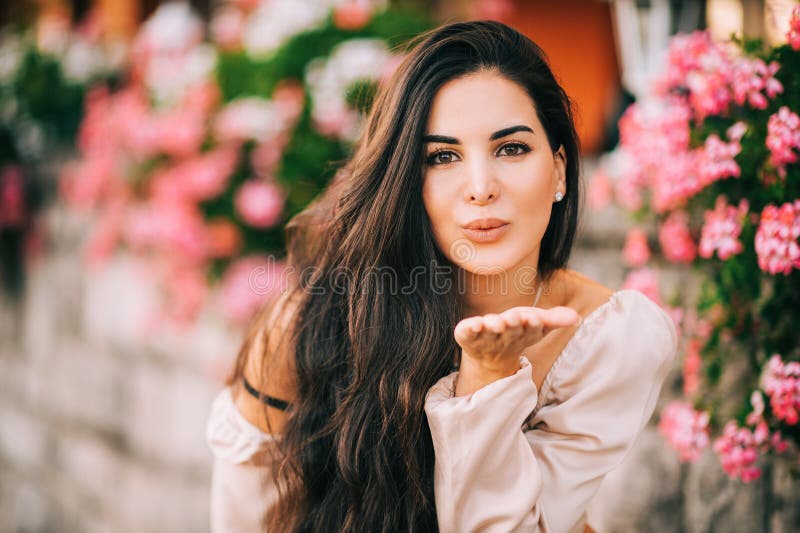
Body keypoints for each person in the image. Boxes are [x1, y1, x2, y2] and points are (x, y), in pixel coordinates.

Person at [205, 19, 678, 533]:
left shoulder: (611, 338)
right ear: (409, 184)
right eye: (442, 157)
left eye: (511, 148)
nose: (480, 187)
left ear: (560, 169)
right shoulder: (307, 327)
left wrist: (487, 384)